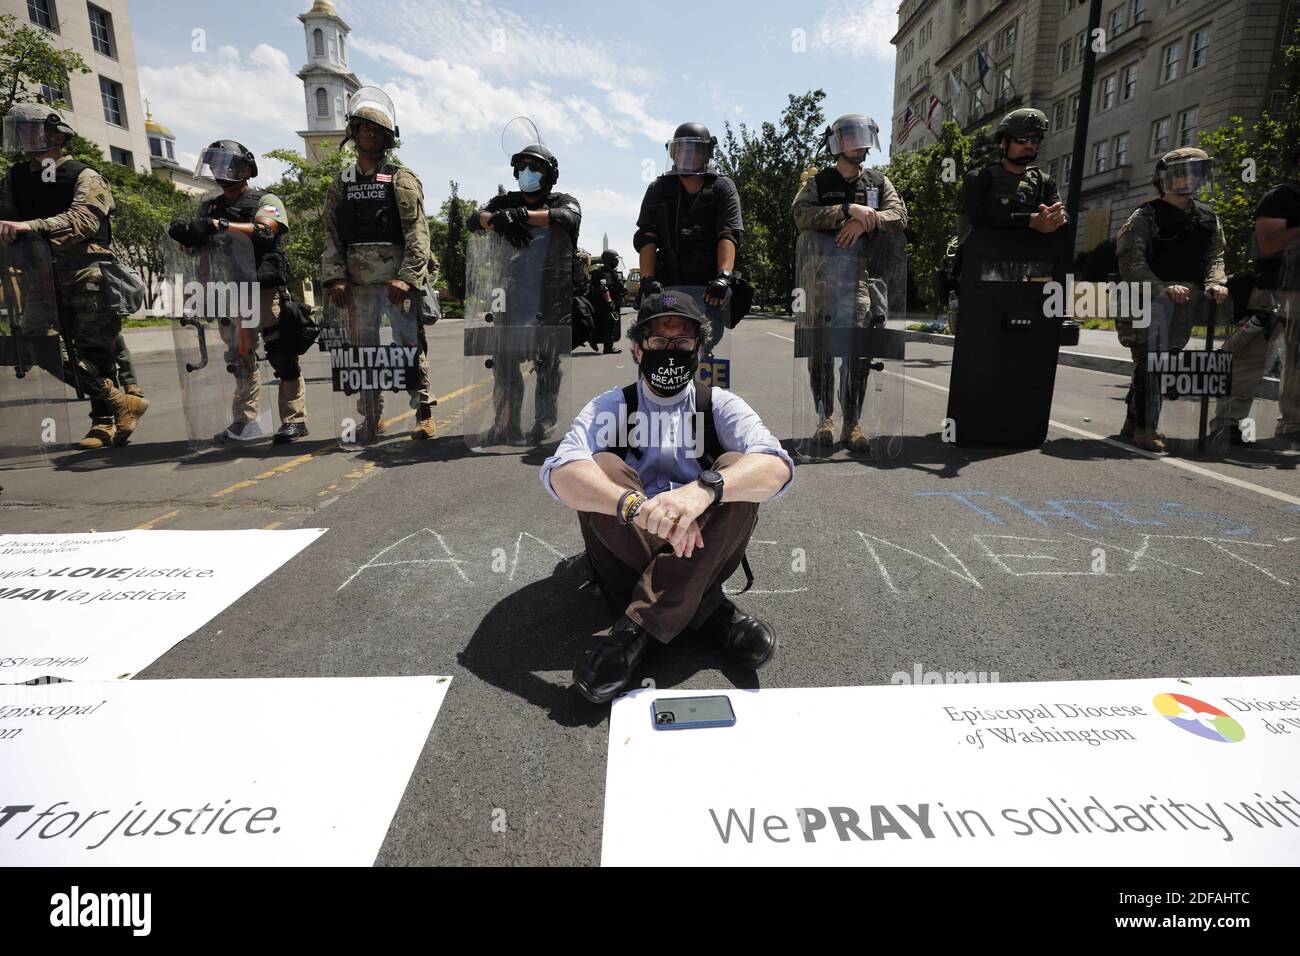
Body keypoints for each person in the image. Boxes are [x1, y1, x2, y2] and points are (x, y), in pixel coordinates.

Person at [541, 291, 794, 705]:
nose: (671, 352)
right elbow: (560, 472)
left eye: (682, 343)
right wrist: (636, 508)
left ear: (699, 348)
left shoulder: (719, 404)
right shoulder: (612, 405)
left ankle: (634, 632)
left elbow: (776, 467)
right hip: (633, 546)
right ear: (639, 348)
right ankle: (709, 611)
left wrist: (704, 490)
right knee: (600, 466)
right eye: (660, 342)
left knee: (738, 467)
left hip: (702, 539)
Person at [0, 103, 148, 448]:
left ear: (57, 134)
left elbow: (83, 221)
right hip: (39, 274)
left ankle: (102, 423)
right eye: (18, 130)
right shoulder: (16, 177)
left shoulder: (85, 175)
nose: (22, 137)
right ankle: (120, 403)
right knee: (39, 344)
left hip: (86, 270)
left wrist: (31, 226)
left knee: (96, 351)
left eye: (30, 129)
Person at [945, 107, 1068, 448]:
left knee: (1022, 359)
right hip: (982, 284)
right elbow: (982, 218)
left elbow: (1056, 217)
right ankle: (973, 425)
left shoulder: (1044, 182)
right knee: (981, 356)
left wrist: (1056, 218)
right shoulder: (980, 177)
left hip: (1028, 286)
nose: (1029, 146)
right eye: (1022, 140)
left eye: (1034, 140)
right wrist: (1030, 221)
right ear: (1004, 143)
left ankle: (1015, 424)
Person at [322, 88, 436, 442]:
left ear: (387, 139)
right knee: (363, 355)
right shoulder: (341, 184)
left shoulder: (401, 179)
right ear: (353, 133)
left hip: (395, 284)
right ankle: (372, 417)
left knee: (409, 348)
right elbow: (332, 236)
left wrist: (408, 278)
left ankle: (424, 413)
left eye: (377, 131)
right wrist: (336, 278)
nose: (370, 135)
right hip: (357, 287)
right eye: (364, 128)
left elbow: (418, 234)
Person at [170, 139, 301, 443]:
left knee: (281, 352)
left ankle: (294, 419)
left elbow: (266, 230)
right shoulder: (210, 206)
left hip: (262, 287)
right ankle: (245, 420)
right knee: (240, 358)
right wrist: (187, 237)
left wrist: (219, 225)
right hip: (229, 291)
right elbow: (199, 248)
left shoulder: (264, 199)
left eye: (227, 164)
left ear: (246, 169)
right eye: (215, 163)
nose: (220, 169)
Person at [791, 113, 908, 453]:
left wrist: (867, 222)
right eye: (849, 135)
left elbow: (899, 215)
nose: (858, 141)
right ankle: (825, 419)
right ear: (836, 143)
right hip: (821, 281)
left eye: (863, 134)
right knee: (821, 353)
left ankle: (852, 423)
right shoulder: (818, 181)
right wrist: (846, 210)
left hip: (860, 281)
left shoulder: (877, 182)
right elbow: (801, 215)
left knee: (857, 352)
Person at [1116, 147, 1228, 452]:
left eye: (1196, 171)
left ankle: (1132, 419)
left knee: (1158, 362)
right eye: (1182, 172)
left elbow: (1214, 256)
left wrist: (1216, 283)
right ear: (1165, 178)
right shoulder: (1145, 215)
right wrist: (1160, 288)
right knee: (1152, 362)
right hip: (1145, 299)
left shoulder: (1207, 217)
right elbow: (1130, 261)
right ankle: (1145, 429)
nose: (1189, 178)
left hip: (1182, 304)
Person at [467, 141, 581, 443]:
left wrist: (522, 215)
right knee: (504, 361)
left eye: (535, 168)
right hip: (511, 296)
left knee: (547, 364)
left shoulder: (563, 200)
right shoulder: (505, 200)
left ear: (550, 174)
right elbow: (474, 219)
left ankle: (544, 420)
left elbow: (567, 218)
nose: (527, 172)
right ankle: (506, 422)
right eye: (522, 167)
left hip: (549, 296)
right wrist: (496, 218)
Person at [1213, 145, 1300, 446]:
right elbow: (1268, 244)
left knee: (1297, 366)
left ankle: (1293, 426)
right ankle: (1227, 422)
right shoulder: (1282, 197)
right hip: (1274, 292)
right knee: (1249, 360)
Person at [633, 122, 743, 308]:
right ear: (673, 153)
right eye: (681, 150)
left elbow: (728, 234)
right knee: (665, 326)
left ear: (707, 154)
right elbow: (647, 237)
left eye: (695, 150)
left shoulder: (722, 187)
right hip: (668, 289)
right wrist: (647, 280)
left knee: (705, 335)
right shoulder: (658, 189)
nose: (687, 156)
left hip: (709, 290)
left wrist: (724, 277)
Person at [589, 249, 625, 354]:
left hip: (601, 304)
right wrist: (609, 302)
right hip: (605, 304)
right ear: (610, 260)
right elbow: (604, 288)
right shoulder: (606, 273)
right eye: (615, 260)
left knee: (604, 325)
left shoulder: (604, 271)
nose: (616, 262)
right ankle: (608, 348)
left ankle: (595, 340)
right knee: (609, 326)